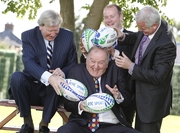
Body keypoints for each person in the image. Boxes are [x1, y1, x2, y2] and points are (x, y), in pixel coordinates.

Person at [8, 10, 77, 133]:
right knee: (16, 77)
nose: (53, 34)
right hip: (31, 89)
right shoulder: (28, 36)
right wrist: (49, 77)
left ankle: (44, 125)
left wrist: (63, 72)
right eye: (50, 31)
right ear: (40, 26)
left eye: (56, 30)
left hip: (54, 93)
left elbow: (73, 65)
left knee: (58, 82)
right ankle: (27, 124)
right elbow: (29, 64)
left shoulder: (68, 36)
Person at [115, 6, 176, 133]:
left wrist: (130, 66)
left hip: (151, 102)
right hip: (133, 94)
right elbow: (138, 37)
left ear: (154, 26)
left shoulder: (167, 43)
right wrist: (123, 37)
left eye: (143, 29)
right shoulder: (148, 28)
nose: (140, 32)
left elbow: (158, 76)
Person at [57, 46, 141, 133]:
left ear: (107, 63)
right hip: (82, 124)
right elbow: (67, 103)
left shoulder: (115, 70)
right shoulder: (75, 71)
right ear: (87, 60)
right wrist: (80, 106)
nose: (96, 66)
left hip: (111, 126)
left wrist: (118, 96)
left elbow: (127, 101)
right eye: (92, 61)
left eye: (101, 62)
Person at [80, 4, 135, 126]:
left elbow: (134, 62)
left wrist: (113, 52)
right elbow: (84, 64)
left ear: (121, 17)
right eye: (106, 17)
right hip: (96, 97)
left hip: (124, 98)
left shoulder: (132, 38)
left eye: (112, 16)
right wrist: (86, 52)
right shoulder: (96, 37)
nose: (109, 20)